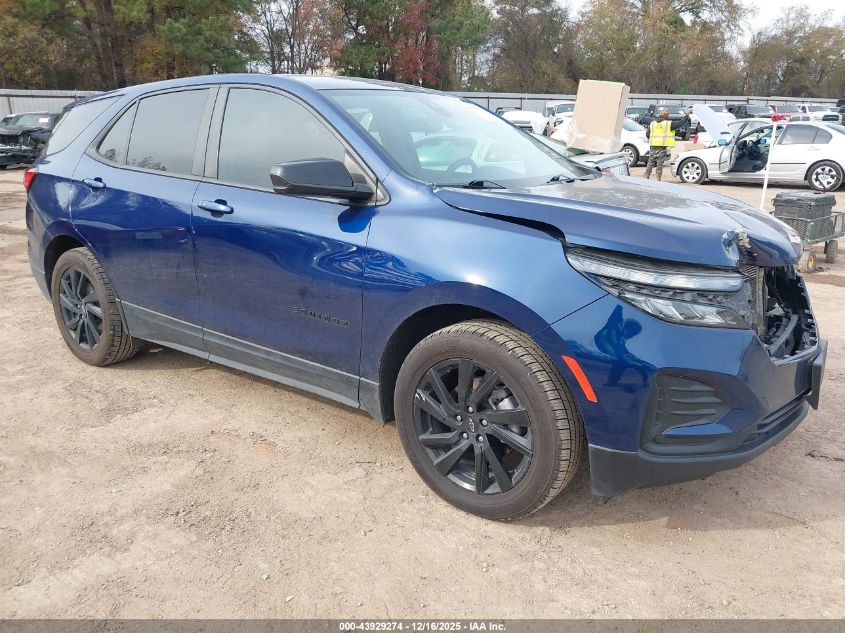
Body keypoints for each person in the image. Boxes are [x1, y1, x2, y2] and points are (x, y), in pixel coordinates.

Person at [644, 107, 690, 180]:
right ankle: (658, 178)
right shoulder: (668, 124)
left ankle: (646, 176)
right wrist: (687, 115)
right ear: (667, 116)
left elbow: (647, 134)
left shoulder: (653, 123)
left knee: (650, 163)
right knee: (659, 164)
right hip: (662, 147)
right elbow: (679, 124)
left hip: (653, 146)